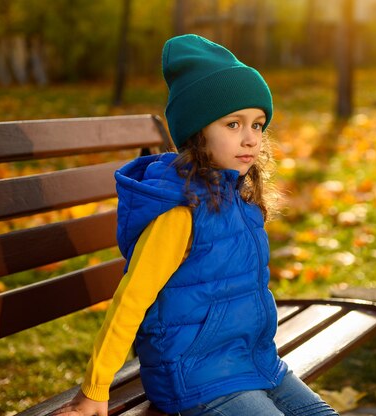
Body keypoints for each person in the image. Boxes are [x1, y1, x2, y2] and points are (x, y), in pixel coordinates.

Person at [51, 34, 339, 416]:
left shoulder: (241, 198)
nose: (251, 138)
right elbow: (130, 301)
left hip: (253, 363)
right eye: (233, 124)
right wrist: (95, 389)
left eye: (258, 125)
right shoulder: (179, 212)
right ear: (198, 132)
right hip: (194, 377)